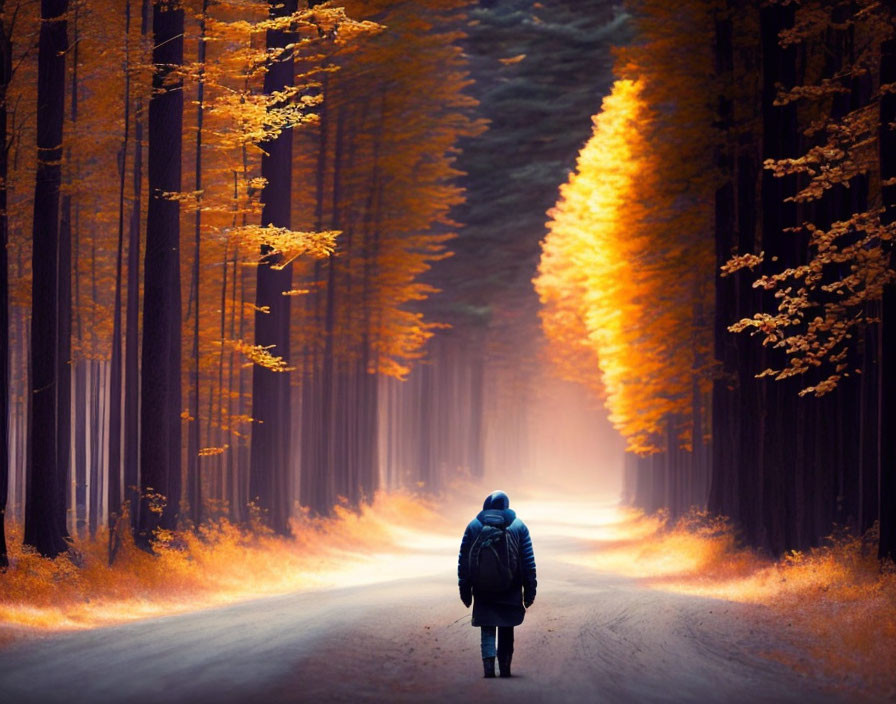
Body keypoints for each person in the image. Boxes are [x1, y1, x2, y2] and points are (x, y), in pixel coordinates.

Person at [457, 490, 537, 678]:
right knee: (506, 626)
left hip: (482, 588)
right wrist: (530, 591)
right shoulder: (519, 526)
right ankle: (505, 667)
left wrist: (465, 590)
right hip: (511, 588)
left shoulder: (474, 526)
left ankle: (489, 668)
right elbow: (528, 563)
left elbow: (464, 562)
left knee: (487, 626)